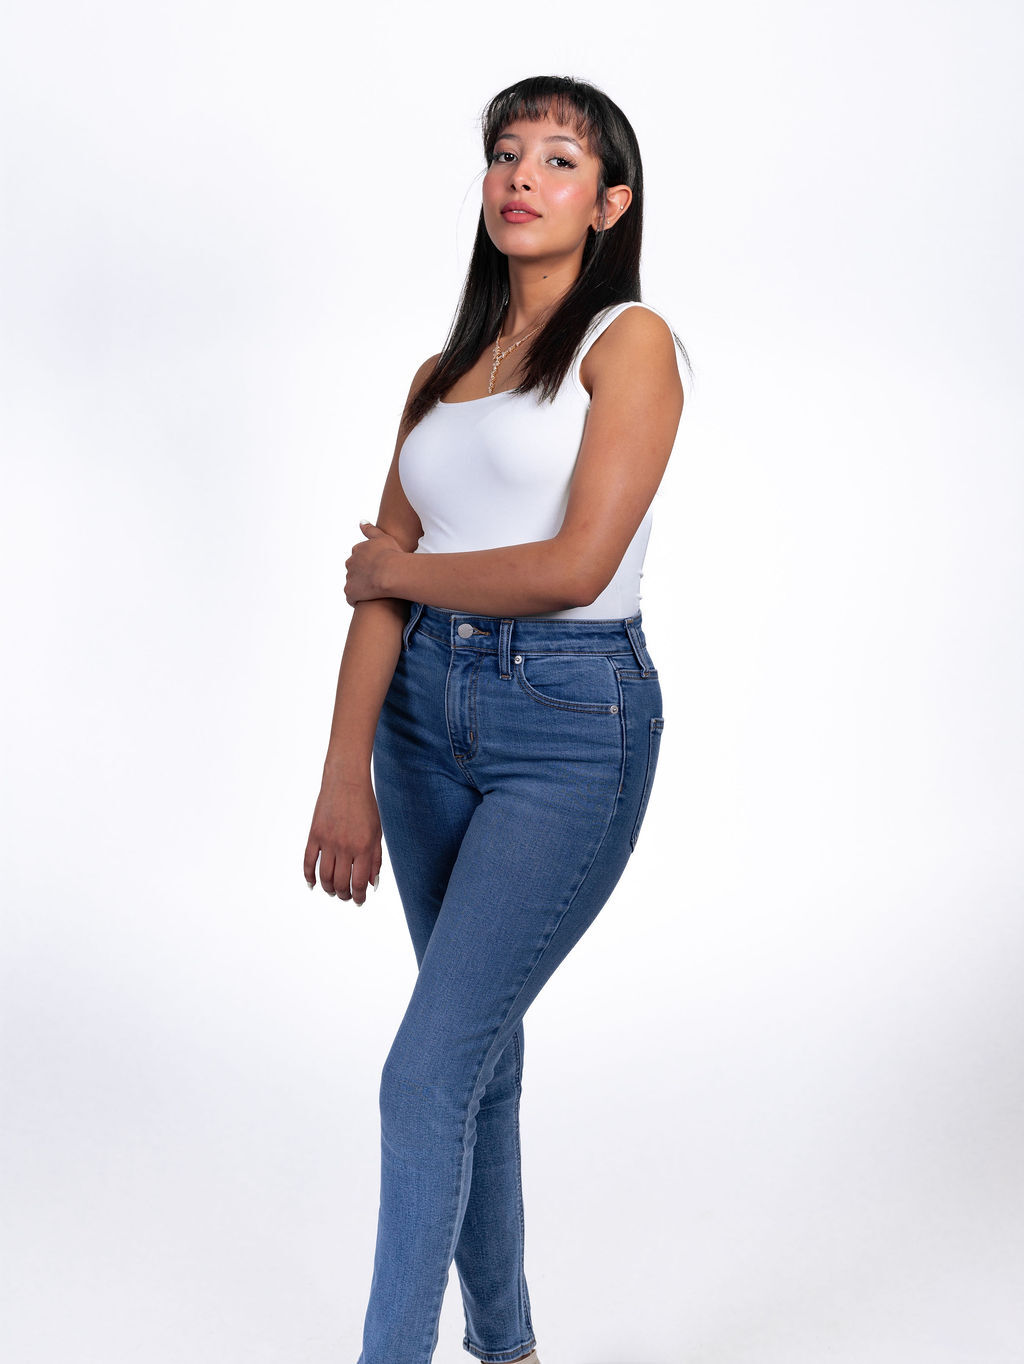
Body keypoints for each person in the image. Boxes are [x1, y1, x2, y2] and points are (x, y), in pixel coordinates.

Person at [303, 74, 688, 1364]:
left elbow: (575, 567)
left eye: (560, 159)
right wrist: (343, 773)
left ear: (609, 204)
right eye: (506, 153)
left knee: (424, 1073)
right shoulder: (441, 375)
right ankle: (508, 1345)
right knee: (480, 1058)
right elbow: (378, 594)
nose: (523, 176)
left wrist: (405, 571)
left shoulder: (627, 343)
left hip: (569, 724)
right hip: (418, 723)